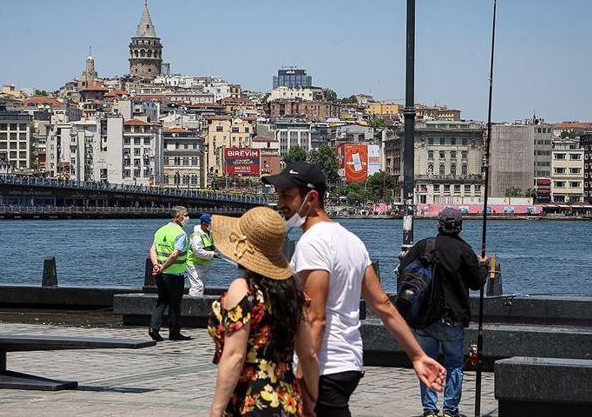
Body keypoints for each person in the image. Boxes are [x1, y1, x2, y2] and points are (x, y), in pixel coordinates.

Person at [262, 161, 445, 417]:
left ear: (311, 198)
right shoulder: (352, 240)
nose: (279, 203)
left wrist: (303, 383)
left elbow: (315, 318)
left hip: (324, 366)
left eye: (286, 195)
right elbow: (383, 304)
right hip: (348, 363)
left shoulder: (312, 243)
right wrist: (417, 355)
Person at [208, 206, 319, 417]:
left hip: (249, 401)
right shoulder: (293, 291)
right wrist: (312, 400)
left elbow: (235, 355)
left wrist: (216, 409)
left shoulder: (242, 289)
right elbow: (308, 354)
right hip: (287, 401)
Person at [398, 207, 488, 417]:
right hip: (452, 317)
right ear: (460, 227)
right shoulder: (464, 250)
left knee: (427, 363)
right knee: (454, 364)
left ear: (438, 225)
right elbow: (477, 283)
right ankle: (450, 410)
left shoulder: (425, 245)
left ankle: (430, 411)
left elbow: (403, 268)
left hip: (424, 316)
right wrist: (482, 265)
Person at [148, 205, 192, 342]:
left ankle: (153, 329)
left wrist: (156, 265)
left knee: (161, 300)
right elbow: (174, 255)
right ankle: (174, 333)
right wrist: (163, 267)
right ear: (178, 217)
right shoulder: (181, 233)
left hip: (160, 274)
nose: (187, 217)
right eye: (185, 215)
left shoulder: (161, 230)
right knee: (175, 304)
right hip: (174, 274)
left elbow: (152, 250)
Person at [186, 213, 218, 296]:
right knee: (197, 286)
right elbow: (197, 251)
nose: (211, 225)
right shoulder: (197, 236)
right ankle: (192, 305)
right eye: (209, 223)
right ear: (204, 223)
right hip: (194, 264)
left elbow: (213, 246)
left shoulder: (209, 234)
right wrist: (212, 254)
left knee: (201, 285)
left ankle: (196, 303)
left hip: (203, 264)